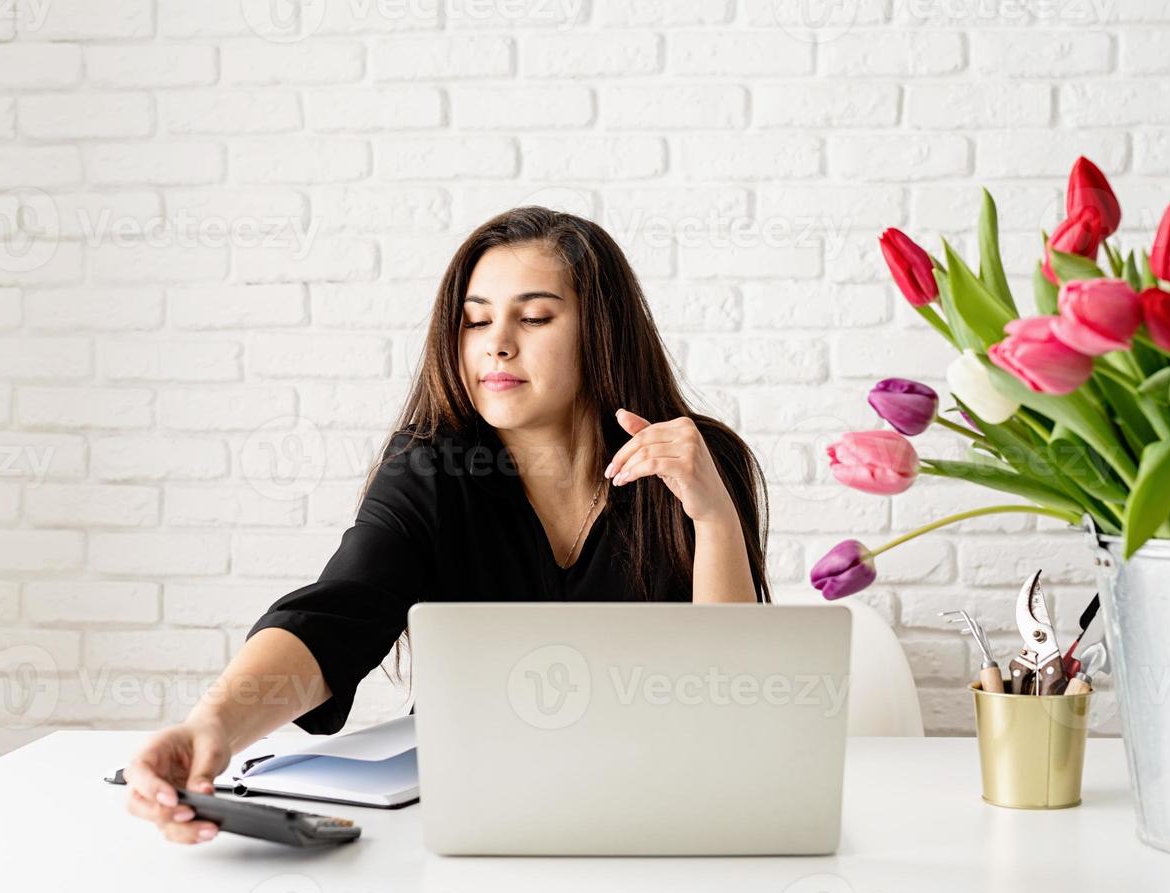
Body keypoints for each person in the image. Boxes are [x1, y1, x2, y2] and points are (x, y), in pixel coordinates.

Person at [123, 207, 772, 843]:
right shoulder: (431, 466)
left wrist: (711, 515)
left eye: (535, 316)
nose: (497, 342)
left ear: (601, 330)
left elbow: (730, 694)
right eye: (475, 321)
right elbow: (335, 616)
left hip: (662, 807)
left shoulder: (692, 456)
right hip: (471, 812)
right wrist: (211, 724)